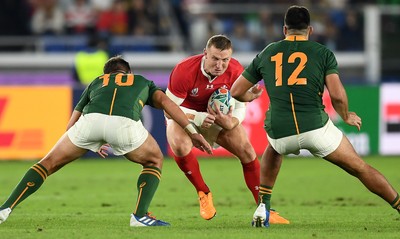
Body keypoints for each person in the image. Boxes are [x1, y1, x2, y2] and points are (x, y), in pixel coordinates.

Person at [230, 5, 400, 228]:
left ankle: (263, 205)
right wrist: (346, 115)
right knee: (360, 168)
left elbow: (235, 91)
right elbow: (337, 95)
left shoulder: (268, 52)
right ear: (310, 30)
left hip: (281, 130)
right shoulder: (322, 53)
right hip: (316, 128)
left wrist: (250, 96)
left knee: (274, 147)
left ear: (284, 30)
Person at [0, 55, 212, 227]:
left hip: (89, 122)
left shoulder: (96, 82)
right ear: (127, 72)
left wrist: (90, 139)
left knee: (45, 165)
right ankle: (139, 216)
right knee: (154, 159)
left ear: (106, 74)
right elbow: (167, 103)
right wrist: (191, 131)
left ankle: (5, 208)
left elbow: (72, 121)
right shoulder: (140, 81)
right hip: (125, 124)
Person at [165, 34, 289, 224]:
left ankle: (264, 209)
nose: (219, 65)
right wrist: (198, 118)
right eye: (215, 58)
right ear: (205, 54)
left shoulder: (235, 70)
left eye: (225, 60)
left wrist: (233, 122)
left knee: (247, 151)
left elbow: (239, 103)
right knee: (179, 144)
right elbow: (168, 110)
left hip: (217, 118)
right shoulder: (184, 70)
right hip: (187, 118)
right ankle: (204, 193)